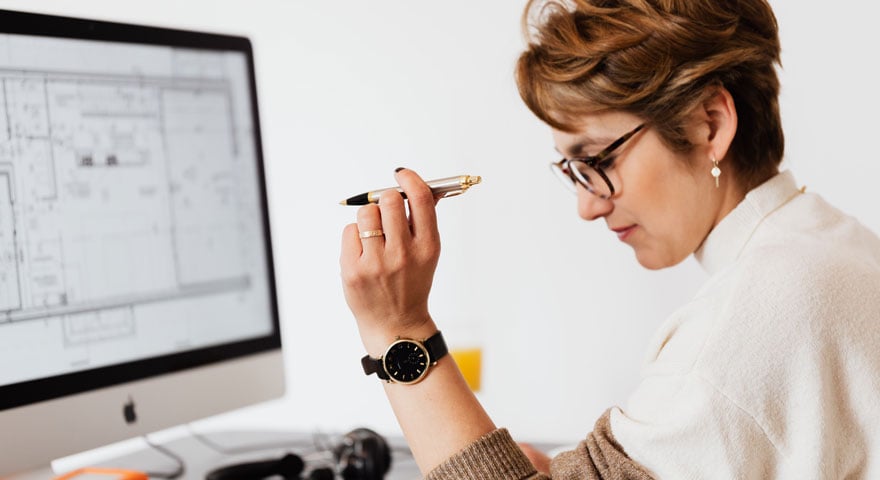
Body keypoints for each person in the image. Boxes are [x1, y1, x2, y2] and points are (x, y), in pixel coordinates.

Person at [339, 0, 880, 478]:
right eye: (572, 170)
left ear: (708, 125)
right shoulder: (830, 246)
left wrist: (398, 328)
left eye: (596, 160)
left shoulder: (751, 316)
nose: (587, 206)